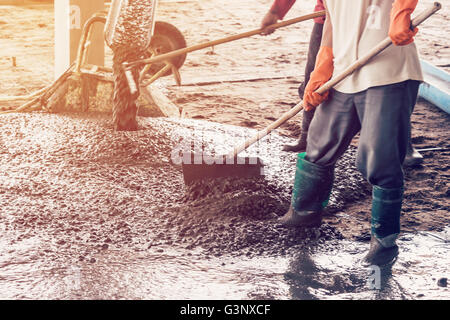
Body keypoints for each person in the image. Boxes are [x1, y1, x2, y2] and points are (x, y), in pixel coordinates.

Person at [276, 0, 423, 266]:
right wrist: (323, 63)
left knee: (379, 160)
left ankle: (384, 242)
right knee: (318, 146)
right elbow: (333, 18)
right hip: (344, 71)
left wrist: (402, 9)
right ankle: (303, 212)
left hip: (387, 71)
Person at [260, 0, 423, 167]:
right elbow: (331, 21)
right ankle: (307, 138)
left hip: (380, 35)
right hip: (333, 22)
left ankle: (402, 145)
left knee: (381, 147)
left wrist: (402, 9)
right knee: (314, 94)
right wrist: (276, 12)